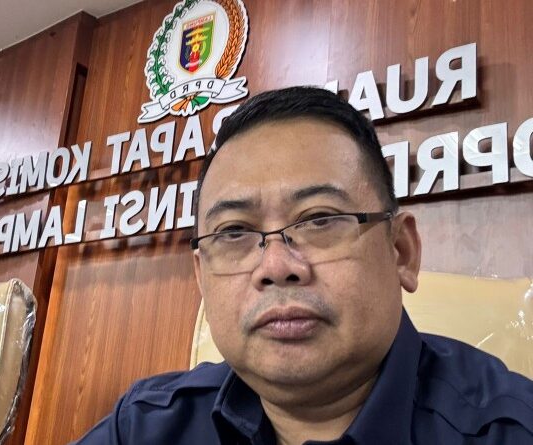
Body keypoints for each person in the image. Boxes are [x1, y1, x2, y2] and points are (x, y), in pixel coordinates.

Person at [72, 87, 533, 444]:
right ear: (201, 277)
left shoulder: (511, 430)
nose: (275, 266)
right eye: (234, 232)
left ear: (401, 251)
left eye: (319, 220)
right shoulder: (144, 427)